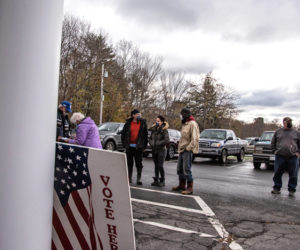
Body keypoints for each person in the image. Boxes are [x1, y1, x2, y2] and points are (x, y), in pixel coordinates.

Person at [172, 108, 199, 195]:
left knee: (186, 169)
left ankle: (190, 188)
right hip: (182, 149)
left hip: (188, 150)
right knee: (180, 168)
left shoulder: (192, 124)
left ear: (185, 115)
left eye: (181, 114)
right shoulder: (185, 124)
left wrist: (188, 148)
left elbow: (194, 138)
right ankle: (181, 185)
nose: (180, 116)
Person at [271, 117, 300, 197]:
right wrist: (274, 151)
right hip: (280, 156)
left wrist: (298, 152)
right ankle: (276, 188)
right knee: (277, 173)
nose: (287, 123)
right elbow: (273, 142)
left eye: (289, 122)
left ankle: (291, 190)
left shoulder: (296, 132)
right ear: (283, 123)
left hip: (292, 156)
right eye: (286, 122)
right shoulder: (278, 131)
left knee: (293, 174)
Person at [121, 109, 148, 185]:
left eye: (139, 114)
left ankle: (138, 179)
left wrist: (144, 146)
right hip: (129, 147)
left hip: (138, 147)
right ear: (133, 115)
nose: (139, 115)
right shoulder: (128, 123)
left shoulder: (143, 123)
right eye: (137, 114)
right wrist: (124, 144)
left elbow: (145, 135)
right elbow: (123, 134)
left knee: (138, 163)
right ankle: (129, 178)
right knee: (129, 163)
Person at [149, 115, 170, 187]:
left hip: (161, 150)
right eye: (156, 121)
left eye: (158, 121)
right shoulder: (154, 129)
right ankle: (156, 179)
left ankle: (163, 180)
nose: (157, 122)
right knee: (156, 165)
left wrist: (158, 143)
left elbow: (167, 140)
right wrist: (151, 143)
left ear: (162, 122)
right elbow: (150, 138)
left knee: (160, 165)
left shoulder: (164, 130)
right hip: (154, 149)